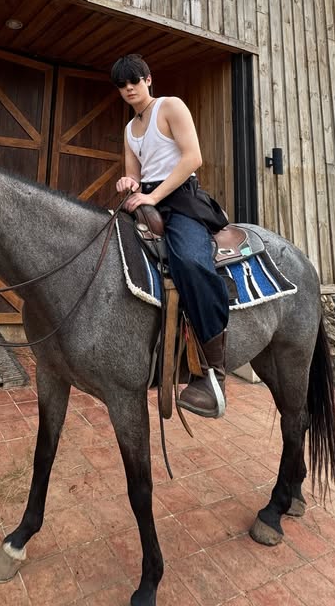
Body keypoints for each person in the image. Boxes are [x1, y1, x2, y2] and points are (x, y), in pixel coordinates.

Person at [112, 54, 230, 418]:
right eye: (122, 84)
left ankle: (215, 373)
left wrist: (151, 195)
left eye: (134, 80)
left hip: (181, 200)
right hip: (147, 201)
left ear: (148, 79)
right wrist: (129, 183)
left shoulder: (170, 106)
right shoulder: (129, 130)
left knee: (191, 262)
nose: (128, 88)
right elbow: (134, 174)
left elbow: (193, 158)